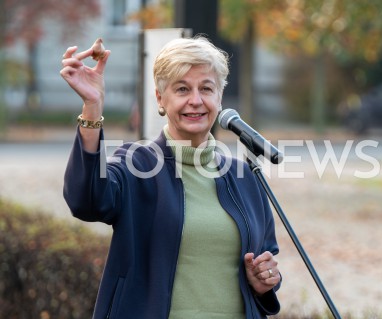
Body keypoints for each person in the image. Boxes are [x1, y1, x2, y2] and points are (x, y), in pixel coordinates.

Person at [60, 36, 281, 318]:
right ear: (160, 98)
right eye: (182, 89)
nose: (196, 100)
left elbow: (267, 259)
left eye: (206, 88)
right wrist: (93, 106)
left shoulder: (244, 177)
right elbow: (85, 200)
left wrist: (265, 280)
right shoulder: (135, 165)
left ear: (219, 97)